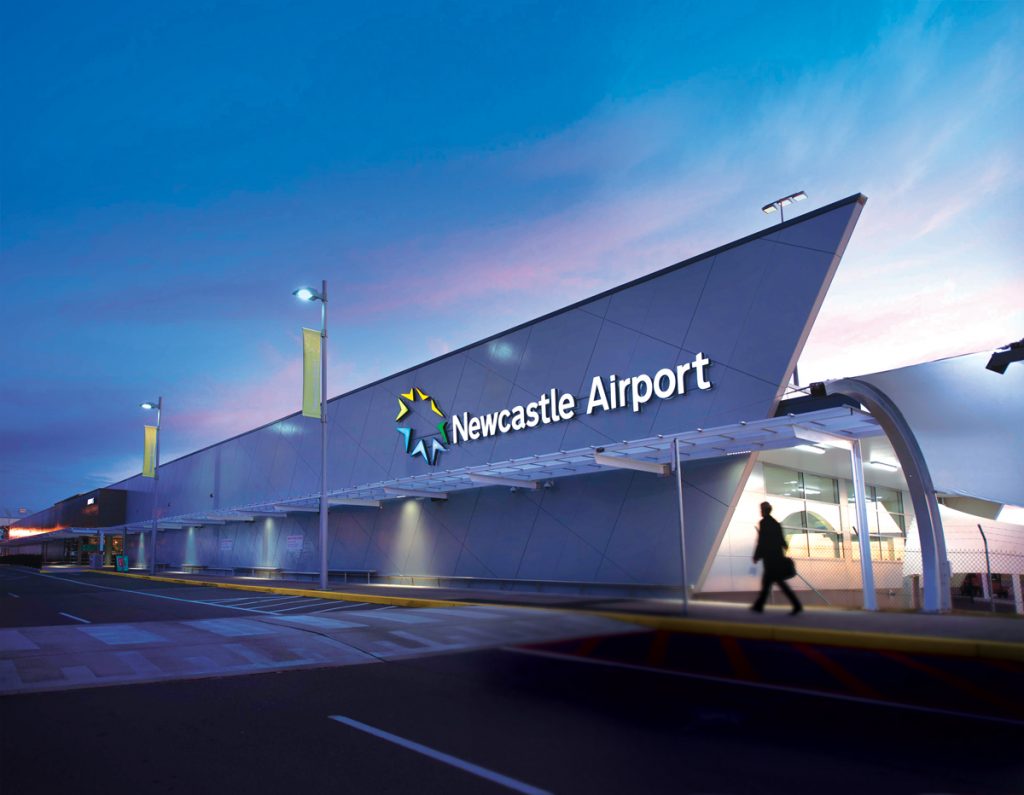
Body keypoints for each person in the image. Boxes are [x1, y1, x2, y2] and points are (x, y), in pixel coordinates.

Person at [751, 501, 802, 615]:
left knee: (773, 582)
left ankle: (796, 605)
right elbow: (781, 539)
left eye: (761, 509)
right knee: (769, 582)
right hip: (777, 557)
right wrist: (784, 546)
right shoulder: (775, 523)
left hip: (769, 559)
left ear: (764, 510)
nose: (760, 511)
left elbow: (762, 541)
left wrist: (756, 556)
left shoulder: (764, 523)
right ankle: (759, 606)